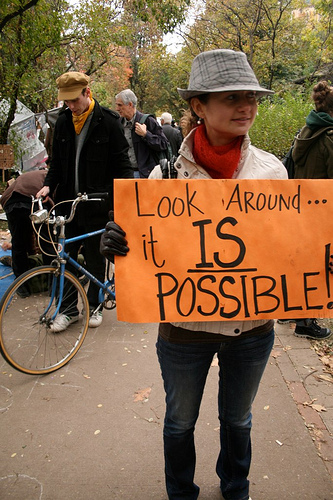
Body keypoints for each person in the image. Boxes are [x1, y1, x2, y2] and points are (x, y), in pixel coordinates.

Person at [101, 49, 288, 500]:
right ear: (199, 107)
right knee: (179, 420)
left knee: (238, 419)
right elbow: (139, 252)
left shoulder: (274, 173)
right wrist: (114, 247)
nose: (246, 106)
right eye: (231, 97)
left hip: (253, 328)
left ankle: (235, 487)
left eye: (252, 97)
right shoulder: (165, 179)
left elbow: (289, 249)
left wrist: (323, 260)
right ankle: (181, 491)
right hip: (184, 330)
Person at [37, 71, 133, 332]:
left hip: (97, 204)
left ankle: (95, 304)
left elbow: (122, 165)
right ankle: (68, 310)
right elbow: (56, 161)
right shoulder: (63, 122)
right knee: (65, 257)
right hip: (68, 204)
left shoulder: (109, 122)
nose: (70, 106)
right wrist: (47, 185)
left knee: (94, 258)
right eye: (66, 102)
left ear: (87, 93)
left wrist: (126, 199)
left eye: (74, 101)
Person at [278, 81, 333, 340]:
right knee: (314, 265)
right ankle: (306, 322)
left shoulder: (306, 131)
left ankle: (288, 310)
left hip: (298, 207)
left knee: (298, 260)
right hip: (320, 211)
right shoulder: (329, 138)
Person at [0, 168, 53, 298]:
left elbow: (27, 234)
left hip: (10, 201)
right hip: (33, 199)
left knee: (18, 243)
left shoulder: (36, 174)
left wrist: (32, 252)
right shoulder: (52, 178)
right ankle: (53, 283)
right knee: (46, 242)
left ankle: (22, 286)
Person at [115, 89, 169, 178]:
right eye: (117, 105)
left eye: (120, 105)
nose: (117, 109)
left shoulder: (148, 121)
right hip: (124, 174)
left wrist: (146, 134)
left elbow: (163, 144)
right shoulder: (118, 124)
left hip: (146, 175)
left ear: (130, 104)